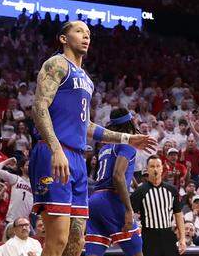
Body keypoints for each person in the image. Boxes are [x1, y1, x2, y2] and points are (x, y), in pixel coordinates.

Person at [29, 22, 156, 256]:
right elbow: (39, 107)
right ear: (63, 38)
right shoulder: (56, 64)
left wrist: (127, 138)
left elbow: (86, 126)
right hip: (54, 151)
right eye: (79, 32)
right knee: (57, 240)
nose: (86, 36)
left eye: (88, 34)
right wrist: (55, 148)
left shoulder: (87, 79)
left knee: (76, 244)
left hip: (77, 158)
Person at [84, 109, 143, 256]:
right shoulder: (128, 145)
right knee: (136, 250)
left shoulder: (105, 147)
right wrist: (129, 210)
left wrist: (134, 184)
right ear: (130, 124)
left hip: (95, 200)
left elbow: (113, 169)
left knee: (94, 253)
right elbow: (117, 175)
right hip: (112, 199)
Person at [131, 156, 186, 256]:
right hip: (149, 237)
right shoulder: (139, 191)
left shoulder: (172, 190)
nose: (155, 169)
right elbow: (129, 214)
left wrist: (182, 239)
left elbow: (178, 214)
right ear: (147, 169)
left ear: (162, 168)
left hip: (168, 234)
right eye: (152, 166)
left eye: (158, 166)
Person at [0, 159, 31, 227]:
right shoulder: (15, 179)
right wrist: (8, 161)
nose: (30, 167)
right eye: (28, 165)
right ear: (21, 168)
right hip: (12, 220)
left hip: (25, 222)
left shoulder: (34, 184)